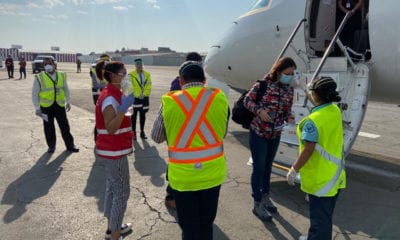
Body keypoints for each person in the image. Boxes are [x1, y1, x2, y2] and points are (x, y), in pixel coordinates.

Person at [151, 61, 229, 240]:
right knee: (206, 224)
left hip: (183, 178)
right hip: (212, 174)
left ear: (181, 80)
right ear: (204, 80)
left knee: (190, 227)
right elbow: (222, 133)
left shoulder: (169, 101)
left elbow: (156, 137)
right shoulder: (219, 97)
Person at [287, 76, 345, 240]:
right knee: (324, 215)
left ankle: (317, 237)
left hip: (320, 178)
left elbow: (308, 150)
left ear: (317, 95)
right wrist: (306, 90)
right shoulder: (334, 111)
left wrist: (294, 169)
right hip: (335, 174)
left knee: (320, 218)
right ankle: (314, 235)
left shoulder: (311, 122)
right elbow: (319, 104)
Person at [243, 57, 296, 221]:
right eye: (288, 73)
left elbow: (287, 110)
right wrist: (260, 111)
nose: (290, 76)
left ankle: (266, 197)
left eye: (293, 73)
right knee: (258, 169)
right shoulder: (263, 85)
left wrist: (289, 117)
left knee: (267, 167)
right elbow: (247, 101)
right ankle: (257, 203)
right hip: (259, 133)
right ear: (278, 72)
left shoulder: (289, 90)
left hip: (275, 134)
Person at [95, 60, 134, 240]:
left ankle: (113, 228)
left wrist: (124, 105)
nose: (126, 76)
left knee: (112, 188)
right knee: (122, 192)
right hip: (113, 152)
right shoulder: (110, 97)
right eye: (123, 73)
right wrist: (123, 108)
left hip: (112, 150)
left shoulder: (115, 93)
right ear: (112, 75)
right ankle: (115, 235)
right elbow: (111, 127)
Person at [165, 51, 203, 210]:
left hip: (191, 132)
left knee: (186, 165)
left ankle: (179, 193)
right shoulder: (177, 84)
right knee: (177, 165)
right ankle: (172, 195)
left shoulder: (193, 84)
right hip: (182, 133)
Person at [32, 57, 79, 153]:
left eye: (49, 63)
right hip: (45, 106)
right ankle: (51, 146)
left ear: (54, 65)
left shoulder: (61, 75)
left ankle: (70, 145)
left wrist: (68, 101)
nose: (47, 66)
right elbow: (34, 93)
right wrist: (37, 107)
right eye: (45, 64)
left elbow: (66, 88)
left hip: (59, 105)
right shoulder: (39, 77)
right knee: (48, 127)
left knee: (64, 126)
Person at [129, 58, 152, 140]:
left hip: (144, 98)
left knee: (143, 115)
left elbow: (149, 86)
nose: (139, 66)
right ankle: (133, 133)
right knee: (133, 116)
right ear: (135, 65)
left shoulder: (147, 74)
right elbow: (130, 87)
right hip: (135, 98)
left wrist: (144, 94)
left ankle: (142, 132)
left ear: (142, 65)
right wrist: (138, 94)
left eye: (141, 64)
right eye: (137, 65)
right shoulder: (131, 74)